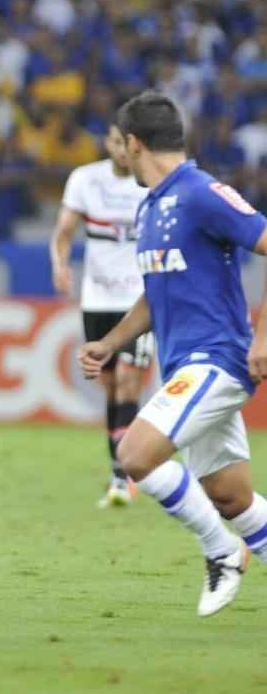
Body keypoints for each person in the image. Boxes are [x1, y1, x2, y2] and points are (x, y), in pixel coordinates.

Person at [79, 91, 267, 618]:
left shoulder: (204, 193)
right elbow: (153, 288)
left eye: (123, 145)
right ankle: (234, 537)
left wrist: (264, 337)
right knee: (231, 497)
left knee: (135, 455)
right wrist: (112, 341)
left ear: (133, 144)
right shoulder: (151, 204)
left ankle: (222, 551)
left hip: (218, 359)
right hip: (185, 363)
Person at [51, 123, 153, 507]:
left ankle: (125, 474)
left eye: (126, 142)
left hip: (139, 300)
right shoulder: (85, 180)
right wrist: (60, 264)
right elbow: (63, 231)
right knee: (110, 387)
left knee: (128, 380)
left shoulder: (150, 182)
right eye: (114, 142)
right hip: (96, 298)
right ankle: (119, 469)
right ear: (108, 144)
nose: (121, 150)